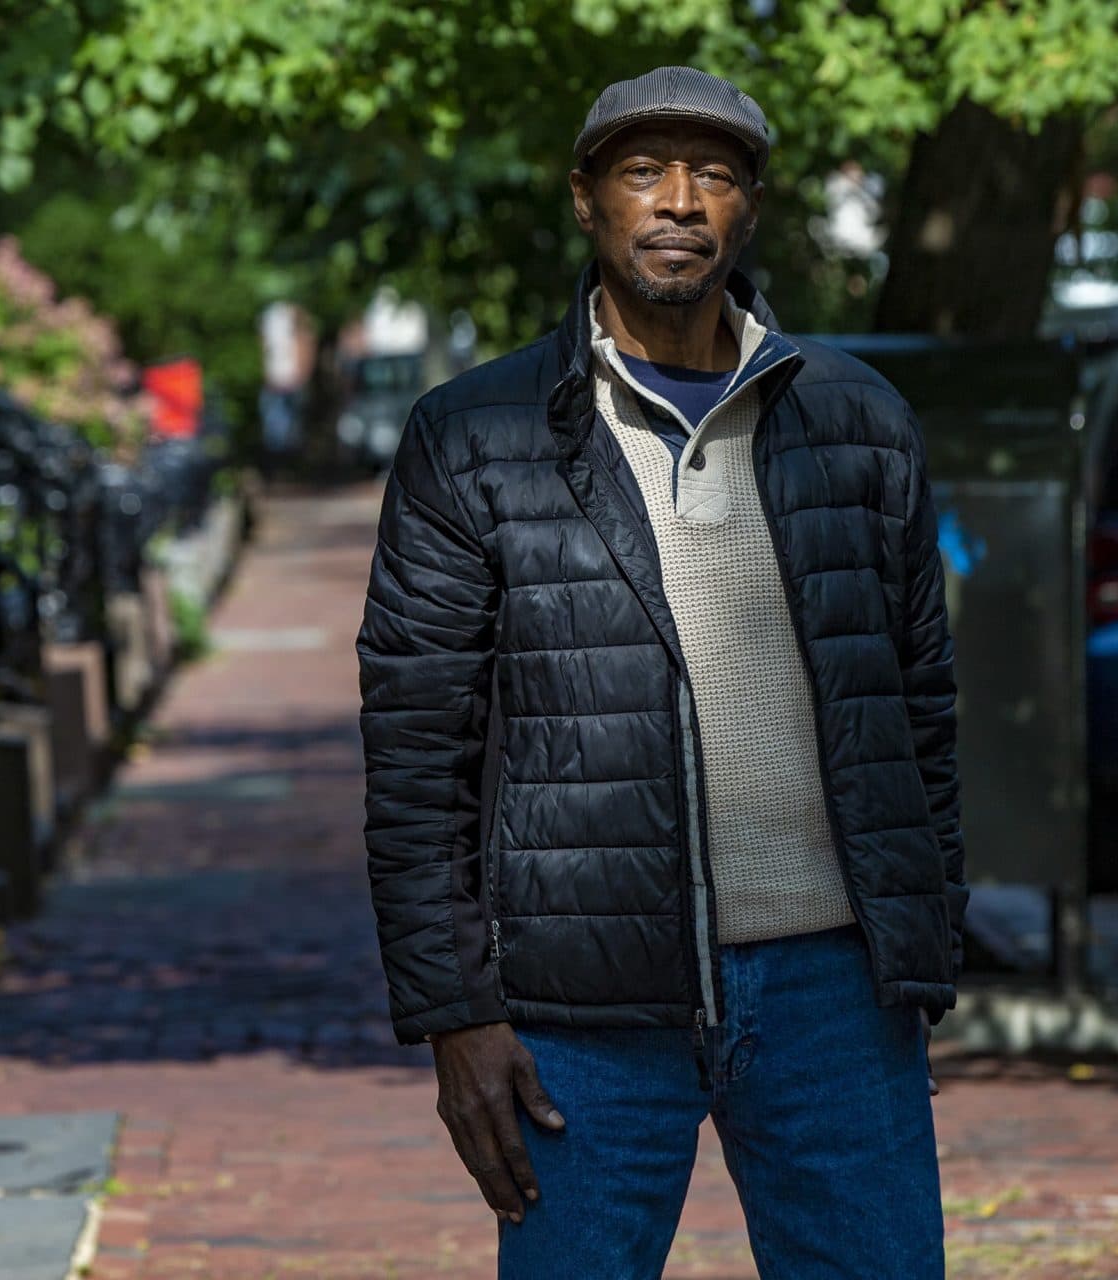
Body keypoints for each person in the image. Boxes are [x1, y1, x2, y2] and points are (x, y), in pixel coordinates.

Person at [355, 65, 965, 1278]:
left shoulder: (857, 418)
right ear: (587, 200)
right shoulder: (474, 435)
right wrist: (456, 1014)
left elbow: (922, 706)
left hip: (835, 989)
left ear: (750, 210)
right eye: (645, 171)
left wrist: (922, 939)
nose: (680, 200)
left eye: (715, 175)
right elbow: (419, 750)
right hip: (579, 1008)